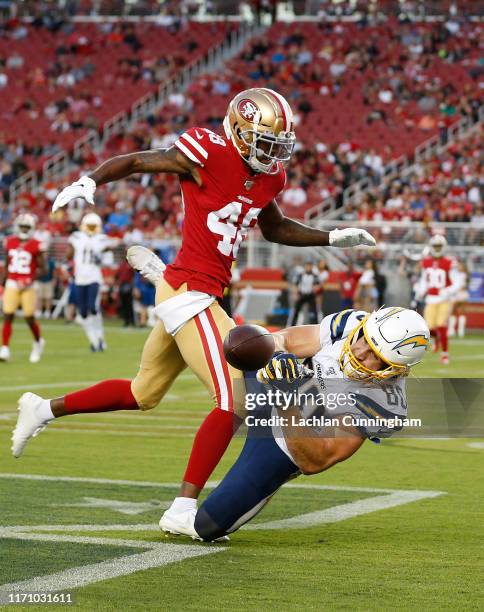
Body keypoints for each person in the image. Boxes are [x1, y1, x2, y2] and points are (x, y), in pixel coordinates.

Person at [11, 87, 375, 537]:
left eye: (279, 145)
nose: (273, 153)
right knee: (234, 398)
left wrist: (332, 238)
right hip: (190, 291)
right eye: (265, 142)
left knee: (143, 392)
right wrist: (91, 180)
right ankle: (182, 507)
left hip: (201, 290)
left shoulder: (269, 178)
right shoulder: (207, 150)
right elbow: (141, 160)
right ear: (240, 132)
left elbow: (275, 227)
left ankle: (42, 408)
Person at [194, 307, 430, 541]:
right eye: (365, 340)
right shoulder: (350, 323)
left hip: (287, 438)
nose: (360, 353)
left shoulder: (383, 403)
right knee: (244, 341)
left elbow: (316, 459)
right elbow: (283, 338)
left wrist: (286, 398)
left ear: (395, 369)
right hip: (269, 383)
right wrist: (277, 357)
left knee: (207, 525)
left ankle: (266, 485)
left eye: (376, 358)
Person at [68, 212, 117, 351]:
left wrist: (101, 257)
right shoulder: (76, 237)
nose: (90, 228)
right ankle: (93, 340)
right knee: (83, 312)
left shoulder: (102, 239)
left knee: (93, 308)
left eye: (93, 226)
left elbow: (108, 260)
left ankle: (99, 338)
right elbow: (69, 254)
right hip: (79, 278)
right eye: (89, 225)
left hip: (94, 278)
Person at [0, 214, 46, 363]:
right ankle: (5, 348)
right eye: (22, 226)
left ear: (31, 228)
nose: (24, 229)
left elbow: (44, 269)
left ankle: (38, 342)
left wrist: (30, 279)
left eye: (27, 227)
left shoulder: (36, 244)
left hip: (28, 285)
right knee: (8, 314)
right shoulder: (10, 241)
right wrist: (2, 282)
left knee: (28, 316)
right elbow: (7, 264)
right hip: (12, 282)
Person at [415, 235, 463, 365]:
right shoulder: (426, 262)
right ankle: (437, 341)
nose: (437, 249)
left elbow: (458, 282)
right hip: (431, 298)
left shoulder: (449, 262)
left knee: (441, 325)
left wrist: (447, 291)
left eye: (439, 246)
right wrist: (419, 293)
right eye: (435, 246)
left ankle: (445, 354)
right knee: (429, 328)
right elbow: (424, 281)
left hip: (444, 299)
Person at [288, 259, 319, 325]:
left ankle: (315, 325)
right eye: (307, 266)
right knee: (296, 311)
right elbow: (295, 285)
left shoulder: (315, 276)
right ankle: (292, 325)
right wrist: (295, 294)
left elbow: (317, 285)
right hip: (301, 294)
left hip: (310, 295)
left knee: (313, 312)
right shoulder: (300, 275)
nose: (308, 267)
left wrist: (315, 290)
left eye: (310, 266)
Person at [448, 260, 469, 338]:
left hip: (460, 294)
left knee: (461, 311)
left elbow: (462, 286)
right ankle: (452, 330)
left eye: (460, 266)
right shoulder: (454, 273)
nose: (459, 267)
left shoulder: (463, 275)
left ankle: (460, 330)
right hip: (454, 294)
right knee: (453, 312)